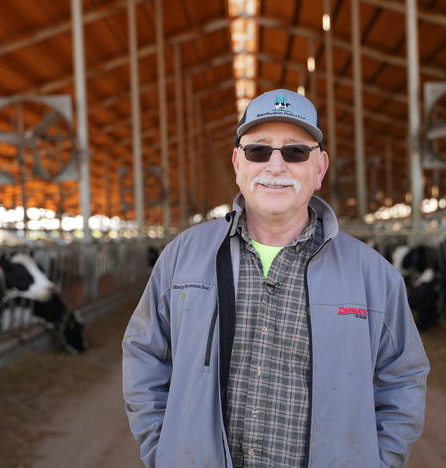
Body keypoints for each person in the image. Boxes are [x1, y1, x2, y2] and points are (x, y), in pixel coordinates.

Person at [122, 89, 429, 467]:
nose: (276, 166)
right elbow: (145, 354)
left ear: (320, 168)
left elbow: (402, 380)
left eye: (296, 152)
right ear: (238, 163)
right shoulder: (183, 258)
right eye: (259, 150)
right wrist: (163, 450)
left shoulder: (373, 276)